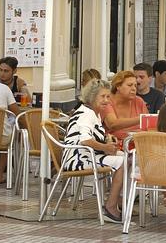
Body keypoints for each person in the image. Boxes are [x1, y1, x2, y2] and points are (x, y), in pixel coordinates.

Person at [62, 79, 125, 223]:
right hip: (77, 158)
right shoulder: (86, 114)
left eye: (108, 96)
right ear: (92, 97)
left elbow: (91, 138)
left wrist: (106, 141)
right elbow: (85, 140)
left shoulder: (93, 113)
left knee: (128, 157)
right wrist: (105, 147)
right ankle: (111, 206)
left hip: (86, 155)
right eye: (102, 96)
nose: (106, 100)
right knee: (124, 161)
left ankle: (118, 201)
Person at [102, 70, 148, 141]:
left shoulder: (139, 101)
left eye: (135, 86)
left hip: (139, 144)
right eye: (129, 85)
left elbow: (148, 126)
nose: (133, 89)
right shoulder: (107, 101)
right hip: (115, 145)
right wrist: (141, 119)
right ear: (118, 86)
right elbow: (112, 124)